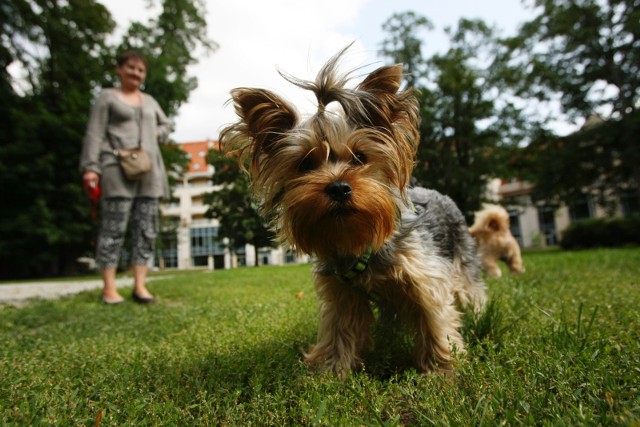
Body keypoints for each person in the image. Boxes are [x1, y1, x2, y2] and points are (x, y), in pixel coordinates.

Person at [80, 50, 172, 304]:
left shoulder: (150, 101)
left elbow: (167, 124)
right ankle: (109, 288)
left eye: (140, 70)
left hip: (149, 168)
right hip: (115, 167)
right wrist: (91, 167)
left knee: (146, 228)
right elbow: (94, 133)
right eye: (131, 67)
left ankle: (140, 286)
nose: (135, 73)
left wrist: (158, 134)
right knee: (113, 228)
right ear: (119, 69)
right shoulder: (107, 97)